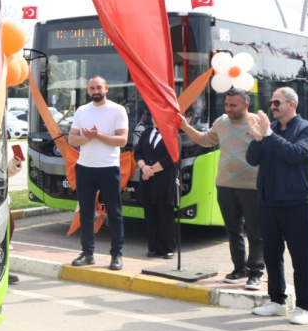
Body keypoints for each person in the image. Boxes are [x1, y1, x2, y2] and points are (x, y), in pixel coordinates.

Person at [246, 86, 308, 325]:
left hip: (296, 203)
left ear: (291, 104)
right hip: (268, 201)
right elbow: (252, 159)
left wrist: (268, 134)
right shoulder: (270, 130)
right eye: (271, 103)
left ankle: (304, 306)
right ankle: (277, 301)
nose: (273, 107)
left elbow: (296, 154)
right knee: (272, 254)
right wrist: (258, 139)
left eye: (277, 103)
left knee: (300, 257)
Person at [180, 88, 263, 289]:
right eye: (226, 104)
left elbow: (269, 147)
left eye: (233, 105)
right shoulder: (221, 122)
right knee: (233, 230)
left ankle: (255, 273)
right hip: (225, 185)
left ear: (246, 105)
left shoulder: (257, 122)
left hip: (252, 186)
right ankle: (239, 268)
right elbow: (204, 140)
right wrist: (185, 127)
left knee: (255, 232)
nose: (228, 109)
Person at [67, 76, 129, 270]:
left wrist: (98, 135)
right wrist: (88, 138)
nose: (96, 91)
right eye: (92, 88)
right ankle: (87, 253)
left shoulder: (117, 110)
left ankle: (116, 255)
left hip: (109, 168)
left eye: (99, 87)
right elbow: (72, 139)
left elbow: (122, 140)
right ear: (87, 90)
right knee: (86, 214)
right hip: (84, 168)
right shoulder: (82, 110)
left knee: (114, 213)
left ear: (106, 88)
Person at [135, 112, 177, 259]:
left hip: (164, 179)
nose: (155, 119)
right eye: (153, 116)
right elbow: (137, 152)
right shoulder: (146, 133)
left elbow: (170, 157)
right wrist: (143, 167)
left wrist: (149, 171)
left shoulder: (172, 134)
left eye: (158, 116)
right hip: (147, 179)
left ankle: (168, 248)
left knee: (165, 215)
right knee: (150, 215)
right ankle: (153, 248)